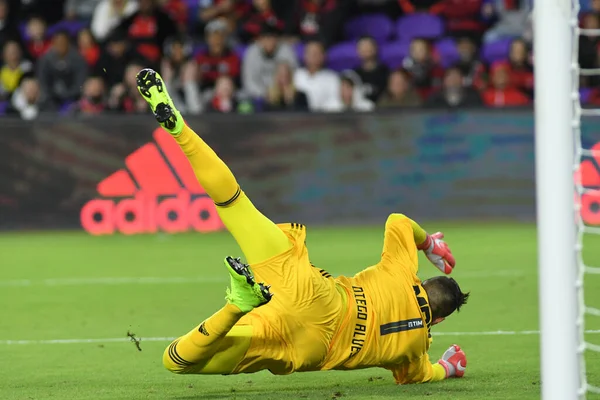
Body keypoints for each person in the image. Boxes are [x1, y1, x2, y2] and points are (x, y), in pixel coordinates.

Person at [135, 67, 470, 384]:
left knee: (233, 203)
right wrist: (448, 367)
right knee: (176, 361)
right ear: (437, 320)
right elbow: (426, 374)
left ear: (423, 282)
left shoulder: (401, 273)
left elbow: (398, 221)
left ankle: (178, 129)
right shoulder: (414, 349)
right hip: (306, 345)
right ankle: (236, 305)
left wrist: (430, 245)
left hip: (315, 294)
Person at [242, 23, 297, 99]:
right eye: (266, 38)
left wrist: (282, 92)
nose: (270, 42)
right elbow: (249, 81)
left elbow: (294, 74)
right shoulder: (252, 52)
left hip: (282, 94)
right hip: (258, 96)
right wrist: (264, 94)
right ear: (260, 40)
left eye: (272, 38)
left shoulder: (286, 50)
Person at [37, 30, 88, 108]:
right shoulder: (45, 60)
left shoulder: (78, 59)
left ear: (68, 43)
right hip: (51, 98)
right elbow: (42, 81)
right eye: (58, 43)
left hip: (74, 98)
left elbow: (81, 83)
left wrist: (69, 94)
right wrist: (53, 94)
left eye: (63, 42)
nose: (60, 45)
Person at [161, 34, 202, 115]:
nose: (177, 52)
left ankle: (196, 115)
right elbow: (167, 84)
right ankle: (168, 115)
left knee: (189, 85)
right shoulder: (167, 63)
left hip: (196, 101)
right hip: (177, 103)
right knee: (166, 85)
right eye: (174, 49)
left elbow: (189, 83)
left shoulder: (191, 63)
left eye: (180, 48)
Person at [195, 19, 241, 90]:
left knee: (224, 83)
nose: (216, 40)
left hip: (225, 93)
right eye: (213, 36)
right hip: (203, 92)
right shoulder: (201, 57)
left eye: (220, 36)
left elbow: (233, 80)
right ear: (207, 39)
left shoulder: (233, 57)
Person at [293, 40, 339, 111]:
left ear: (323, 56)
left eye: (316, 53)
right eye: (310, 53)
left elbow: (335, 103)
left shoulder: (332, 78)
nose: (313, 56)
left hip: (323, 118)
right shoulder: (296, 75)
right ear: (304, 56)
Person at [353, 36, 389, 103]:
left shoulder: (386, 72)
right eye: (362, 47)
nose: (365, 49)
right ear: (357, 51)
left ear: (375, 48)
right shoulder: (353, 75)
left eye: (368, 46)